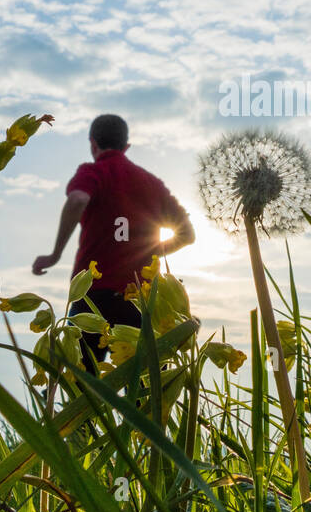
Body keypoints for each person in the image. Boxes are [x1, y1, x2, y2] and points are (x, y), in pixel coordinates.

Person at [32, 114, 195, 371]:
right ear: (126, 146)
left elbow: (76, 200)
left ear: (93, 144)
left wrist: (54, 255)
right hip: (142, 300)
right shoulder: (151, 182)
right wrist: (149, 251)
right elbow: (187, 234)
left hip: (94, 296)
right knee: (149, 390)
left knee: (80, 386)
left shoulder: (93, 172)